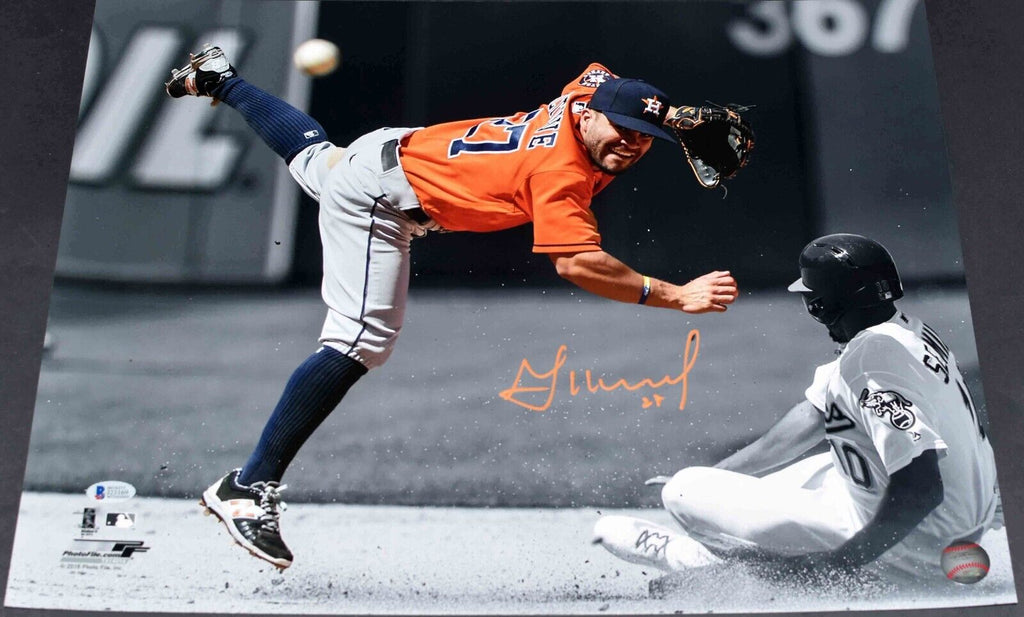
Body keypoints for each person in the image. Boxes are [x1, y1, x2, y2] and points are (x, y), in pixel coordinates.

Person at [165, 45, 743, 569]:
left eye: (645, 135)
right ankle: (247, 487)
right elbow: (577, 264)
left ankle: (220, 80)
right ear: (589, 117)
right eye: (623, 128)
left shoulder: (584, 95)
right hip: (378, 201)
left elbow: (598, 72)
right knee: (360, 340)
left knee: (316, 157)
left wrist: (664, 115)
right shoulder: (560, 172)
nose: (632, 143)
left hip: (396, 152)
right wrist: (675, 294)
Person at [594, 233, 1001, 585]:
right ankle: (778, 550)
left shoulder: (869, 364)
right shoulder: (904, 330)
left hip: (915, 548)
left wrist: (838, 567)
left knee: (683, 490)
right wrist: (719, 475)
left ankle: (713, 566)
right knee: (828, 459)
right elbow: (813, 415)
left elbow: (921, 488)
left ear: (820, 305)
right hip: (960, 527)